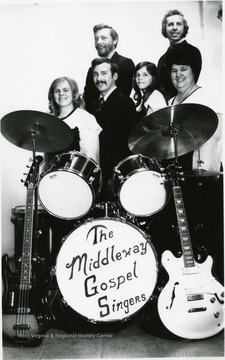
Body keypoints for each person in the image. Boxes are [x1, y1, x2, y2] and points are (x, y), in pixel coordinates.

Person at [149, 46, 223, 284]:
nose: (178, 74)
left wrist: (201, 173)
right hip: (177, 179)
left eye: (184, 69)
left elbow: (213, 139)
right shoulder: (171, 100)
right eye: (173, 70)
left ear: (195, 71)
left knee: (203, 242)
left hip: (201, 181)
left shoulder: (204, 98)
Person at [42, 77, 102, 265]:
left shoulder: (84, 118)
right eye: (57, 91)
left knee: (75, 240)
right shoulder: (49, 120)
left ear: (74, 94)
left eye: (66, 90)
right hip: (54, 190)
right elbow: (47, 158)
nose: (62, 94)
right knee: (57, 236)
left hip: (77, 189)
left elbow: (91, 158)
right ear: (52, 95)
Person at [90, 57, 138, 201]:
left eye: (104, 73)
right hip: (99, 175)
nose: (99, 78)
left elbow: (126, 145)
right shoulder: (94, 105)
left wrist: (113, 176)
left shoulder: (125, 103)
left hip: (114, 177)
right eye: (95, 74)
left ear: (115, 76)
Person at [83, 23, 135, 112]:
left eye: (103, 38)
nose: (98, 42)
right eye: (96, 39)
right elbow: (88, 98)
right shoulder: (92, 69)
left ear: (115, 40)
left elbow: (121, 98)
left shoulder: (126, 64)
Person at [157, 9, 202, 100]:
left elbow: (185, 86)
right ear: (165, 28)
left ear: (184, 28)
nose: (174, 27)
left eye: (178, 24)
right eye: (170, 24)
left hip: (183, 105)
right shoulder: (162, 58)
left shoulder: (192, 52)